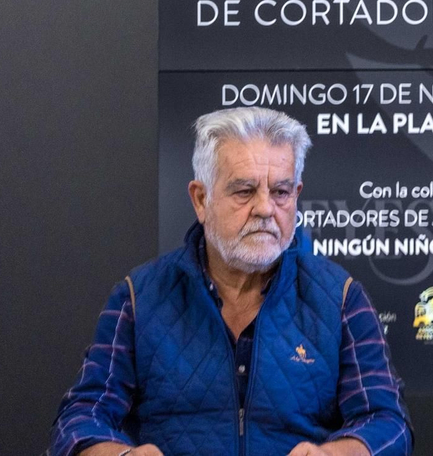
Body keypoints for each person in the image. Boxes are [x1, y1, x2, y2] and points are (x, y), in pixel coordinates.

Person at [50, 108, 411, 456]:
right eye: (244, 191)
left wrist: (334, 454)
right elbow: (80, 417)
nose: (265, 209)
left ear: (296, 195)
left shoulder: (340, 298)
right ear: (201, 199)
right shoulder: (139, 297)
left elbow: (388, 422)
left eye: (281, 192)